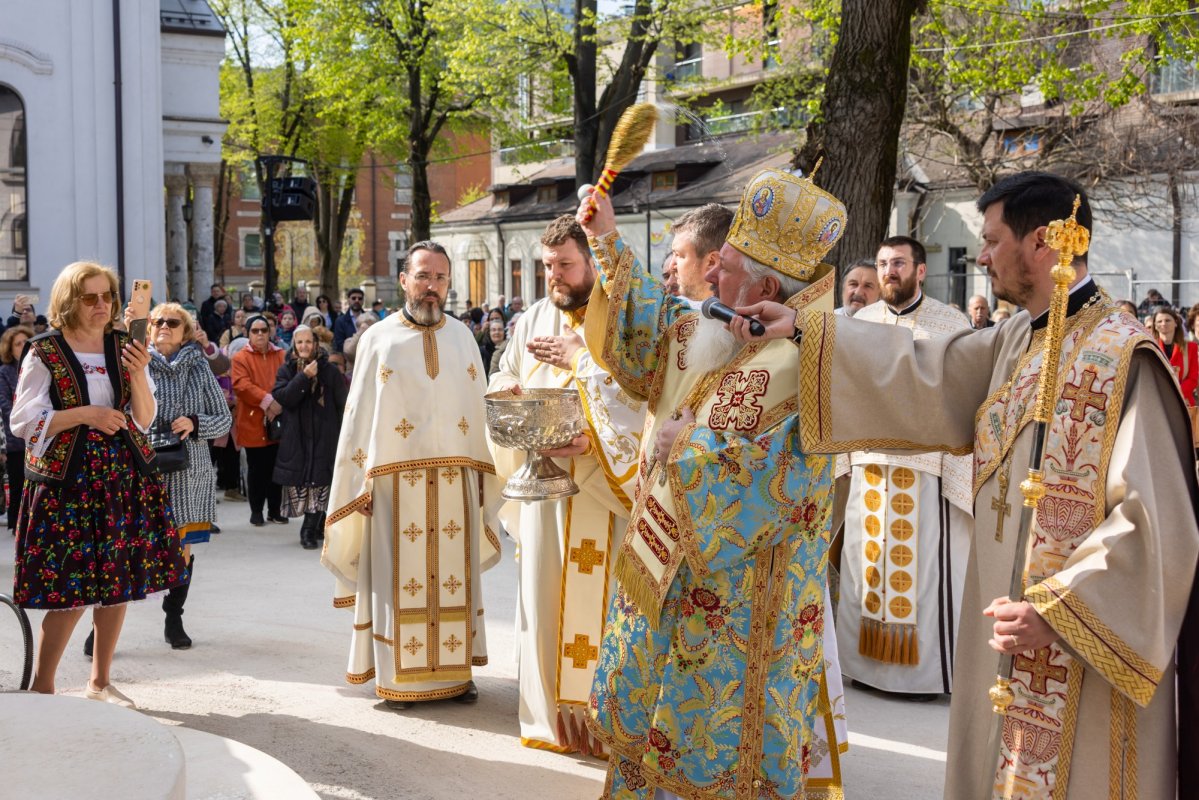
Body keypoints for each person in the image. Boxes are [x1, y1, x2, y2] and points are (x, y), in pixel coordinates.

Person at [732, 170, 1199, 798]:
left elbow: (1155, 524)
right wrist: (806, 330)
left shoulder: (1124, 358)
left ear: (1044, 242)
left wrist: (1057, 612)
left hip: (1072, 645)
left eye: (992, 239)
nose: (981, 255)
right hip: (1005, 627)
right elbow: (926, 371)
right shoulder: (1014, 338)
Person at [576, 169, 849, 798]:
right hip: (667, 583)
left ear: (767, 288)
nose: (708, 279)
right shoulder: (715, 331)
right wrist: (608, 241)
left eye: (723, 268)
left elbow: (762, 486)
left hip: (742, 608)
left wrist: (681, 448)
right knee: (651, 732)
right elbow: (652, 327)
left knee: (714, 756)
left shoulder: (798, 369)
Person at [487, 214, 645, 756]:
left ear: (591, 263)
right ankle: (547, 719)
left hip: (603, 490)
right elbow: (504, 371)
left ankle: (604, 724)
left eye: (565, 264)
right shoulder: (533, 318)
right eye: (547, 265)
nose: (553, 275)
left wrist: (591, 441)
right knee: (543, 598)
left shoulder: (622, 320)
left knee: (605, 608)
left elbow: (640, 397)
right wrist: (508, 388)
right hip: (546, 492)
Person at [322, 240, 503, 709]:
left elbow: (477, 408)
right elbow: (360, 415)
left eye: (440, 278)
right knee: (398, 581)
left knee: (453, 577)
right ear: (404, 280)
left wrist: (487, 475)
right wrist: (358, 480)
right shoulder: (378, 339)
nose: (431, 287)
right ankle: (399, 680)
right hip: (392, 486)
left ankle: (456, 673)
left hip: (456, 483)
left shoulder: (464, 337)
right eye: (423, 276)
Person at [10, 261, 186, 708]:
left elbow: (143, 418)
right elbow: (22, 422)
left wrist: (140, 372)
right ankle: (44, 685)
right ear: (69, 301)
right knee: (70, 589)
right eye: (90, 297)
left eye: (107, 295)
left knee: (116, 581)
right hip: (67, 481)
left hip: (120, 476)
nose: (101, 304)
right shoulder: (44, 350)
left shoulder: (124, 346)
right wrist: (86, 414)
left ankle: (100, 681)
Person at [832, 235, 973, 698]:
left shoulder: (950, 324)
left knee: (923, 572)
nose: (889, 271)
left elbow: (963, 393)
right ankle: (864, 667)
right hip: (869, 459)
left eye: (898, 263)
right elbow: (843, 390)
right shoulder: (861, 322)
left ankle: (922, 679)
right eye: (883, 263)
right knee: (863, 561)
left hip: (925, 463)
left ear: (919, 271)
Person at [135, 302, 231, 650]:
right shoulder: (137, 363)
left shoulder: (199, 368)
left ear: (185, 331)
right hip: (145, 467)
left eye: (172, 322)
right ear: (148, 329)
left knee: (182, 550)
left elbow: (223, 418)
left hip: (190, 470)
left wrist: (194, 422)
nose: (164, 326)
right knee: (133, 546)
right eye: (158, 321)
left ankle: (173, 617)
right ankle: (103, 625)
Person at [272, 325, 348, 549]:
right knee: (305, 484)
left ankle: (309, 529)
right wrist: (304, 377)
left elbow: (342, 404)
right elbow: (284, 397)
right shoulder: (286, 369)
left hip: (325, 436)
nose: (304, 346)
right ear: (294, 345)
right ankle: (314, 525)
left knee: (320, 483)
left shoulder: (330, 371)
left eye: (308, 342)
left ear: (315, 344)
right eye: (299, 342)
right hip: (297, 437)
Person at [231, 314, 287, 527]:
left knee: (277, 469)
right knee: (256, 470)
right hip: (253, 421)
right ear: (248, 334)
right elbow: (241, 385)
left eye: (264, 330)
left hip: (279, 420)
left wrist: (278, 404)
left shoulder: (281, 354)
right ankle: (256, 511)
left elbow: (288, 380)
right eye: (255, 331)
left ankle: (275, 510)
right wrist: (269, 401)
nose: (261, 334)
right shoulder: (240, 358)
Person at [668, 203, 733, 309]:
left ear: (711, 262)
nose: (671, 266)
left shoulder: (741, 321)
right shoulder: (673, 312)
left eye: (678, 255)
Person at [0, 324, 32, 530]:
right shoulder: (5, 371)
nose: (22, 347)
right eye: (17, 344)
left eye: (25, 343)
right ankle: (16, 523)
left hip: (38, 434)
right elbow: (3, 402)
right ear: (10, 349)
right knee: (17, 482)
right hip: (15, 437)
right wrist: (21, 421)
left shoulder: (38, 366)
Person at [1153, 306, 1198, 406]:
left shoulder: (1191, 347)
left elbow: (1193, 379)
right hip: (1157, 401)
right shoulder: (1150, 347)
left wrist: (1176, 393)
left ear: (1176, 323)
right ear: (1155, 325)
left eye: (1167, 320)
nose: (1163, 324)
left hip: (1183, 402)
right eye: (1159, 321)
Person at [333, 288, 366, 352]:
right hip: (347, 358)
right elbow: (339, 344)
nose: (357, 300)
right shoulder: (340, 321)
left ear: (363, 301)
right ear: (348, 300)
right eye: (353, 298)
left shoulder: (370, 319)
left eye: (360, 298)